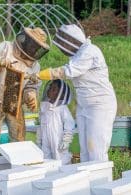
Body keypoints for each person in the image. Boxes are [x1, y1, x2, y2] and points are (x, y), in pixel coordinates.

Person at [37, 24, 117, 162]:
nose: (62, 48)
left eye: (63, 44)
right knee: (85, 149)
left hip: (99, 105)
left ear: (72, 40)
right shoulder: (78, 55)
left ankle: (101, 181)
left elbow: (68, 71)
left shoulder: (90, 51)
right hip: (84, 106)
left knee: (96, 149)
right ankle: (87, 182)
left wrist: (40, 75)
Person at [0, 27, 50, 156]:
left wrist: (31, 95)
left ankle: (18, 160)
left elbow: (31, 86)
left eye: (37, 46)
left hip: (14, 101)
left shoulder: (35, 66)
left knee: (19, 136)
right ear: (26, 39)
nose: (34, 48)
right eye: (33, 43)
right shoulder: (6, 47)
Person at [37, 79, 75, 165]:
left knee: (60, 159)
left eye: (53, 89)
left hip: (58, 139)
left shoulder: (62, 108)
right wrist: (39, 140)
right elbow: (40, 125)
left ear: (60, 94)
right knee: (46, 159)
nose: (49, 90)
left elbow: (70, 124)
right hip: (45, 140)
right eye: (50, 87)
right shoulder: (44, 107)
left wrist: (66, 140)